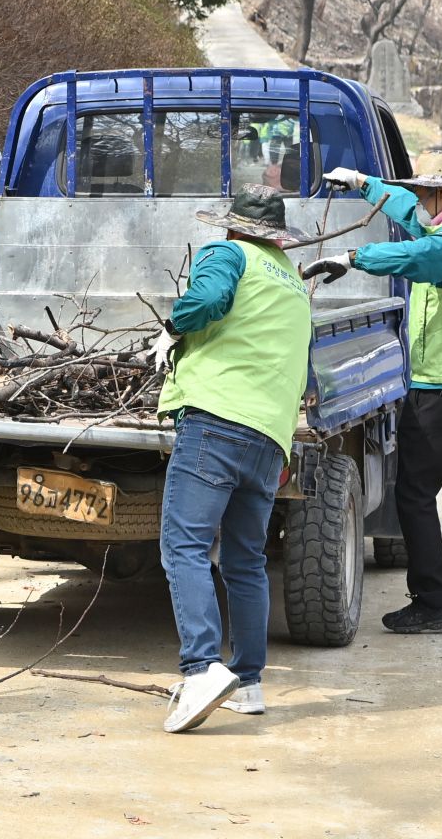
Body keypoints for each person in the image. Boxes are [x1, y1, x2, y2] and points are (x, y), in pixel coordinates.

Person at [306, 151, 442, 636]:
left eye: (423, 192)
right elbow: (408, 214)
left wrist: (353, 258)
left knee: (414, 494)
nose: (417, 200)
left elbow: (417, 256)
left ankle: (433, 602)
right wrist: (361, 182)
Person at [151, 185, 311, 733]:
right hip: (269, 436)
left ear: (233, 225)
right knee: (244, 561)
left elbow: (209, 301)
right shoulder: (292, 283)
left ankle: (200, 668)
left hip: (216, 421)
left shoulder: (228, 254)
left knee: (184, 547)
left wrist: (173, 327)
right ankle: (248, 682)